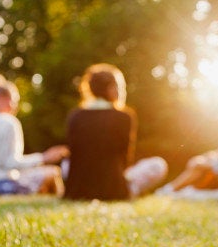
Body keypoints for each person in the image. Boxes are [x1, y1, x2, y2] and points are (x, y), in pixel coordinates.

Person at [62, 63, 167, 200]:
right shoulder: (124, 117)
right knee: (158, 164)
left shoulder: (75, 115)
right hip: (113, 190)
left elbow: (74, 154)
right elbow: (125, 159)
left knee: (65, 163)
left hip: (77, 191)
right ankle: (132, 189)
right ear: (111, 88)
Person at [0, 74, 68, 195]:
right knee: (53, 172)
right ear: (1, 98)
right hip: (0, 184)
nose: (15, 106)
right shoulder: (8, 122)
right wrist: (43, 157)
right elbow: (11, 163)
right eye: (14, 101)